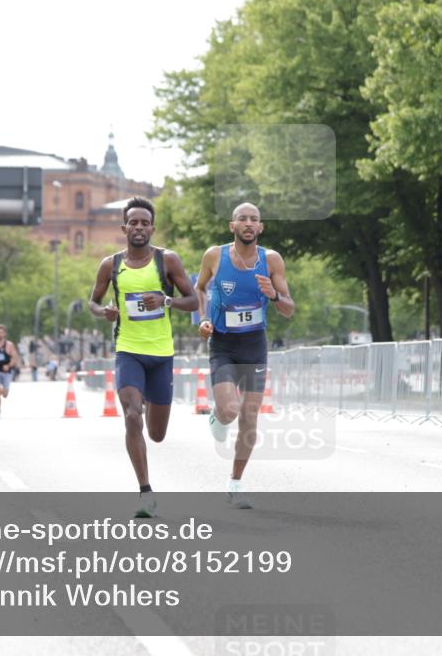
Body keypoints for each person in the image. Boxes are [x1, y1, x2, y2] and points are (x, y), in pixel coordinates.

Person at [88, 197, 198, 518]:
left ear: (152, 228)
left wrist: (166, 301)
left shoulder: (168, 261)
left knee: (157, 434)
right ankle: (145, 492)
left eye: (144, 223)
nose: (138, 228)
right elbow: (93, 301)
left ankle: (150, 400)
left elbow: (192, 300)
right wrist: (105, 311)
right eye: (133, 223)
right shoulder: (111, 265)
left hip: (161, 354)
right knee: (132, 415)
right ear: (124, 228)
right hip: (128, 351)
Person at [195, 202, 295, 508]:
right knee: (230, 410)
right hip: (223, 342)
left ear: (261, 228)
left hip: (254, 344)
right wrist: (202, 319)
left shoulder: (272, 260)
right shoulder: (215, 255)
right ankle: (218, 414)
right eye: (243, 219)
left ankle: (235, 482)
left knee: (250, 415)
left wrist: (273, 295)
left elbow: (289, 309)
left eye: (254, 219)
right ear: (232, 226)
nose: (249, 223)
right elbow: (199, 289)